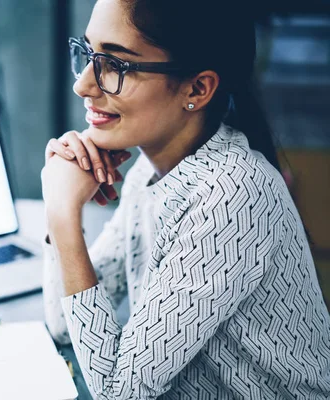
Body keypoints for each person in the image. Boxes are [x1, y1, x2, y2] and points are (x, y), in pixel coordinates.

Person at [40, 0, 330, 398]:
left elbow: (118, 393)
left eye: (117, 65)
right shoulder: (150, 170)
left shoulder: (233, 195)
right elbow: (61, 324)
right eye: (88, 54)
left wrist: (62, 216)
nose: (83, 84)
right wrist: (60, 205)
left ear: (197, 88)